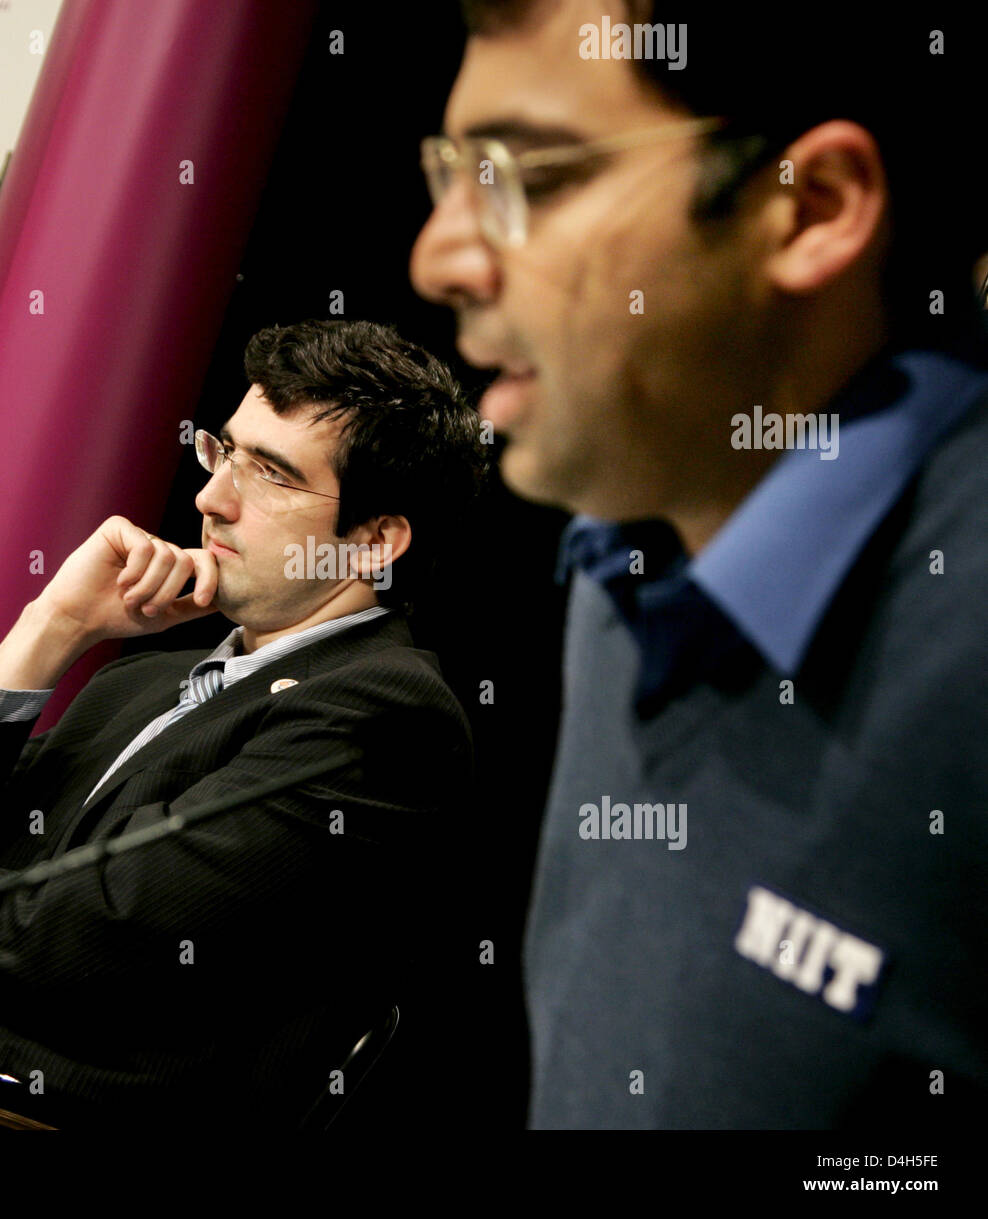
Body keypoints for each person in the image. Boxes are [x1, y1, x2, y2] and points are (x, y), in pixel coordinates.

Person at [410, 0, 988, 1128]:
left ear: (808, 208)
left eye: (531, 173)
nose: (438, 254)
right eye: (450, 170)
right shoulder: (621, 557)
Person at [0, 318, 487, 1128]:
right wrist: (50, 629)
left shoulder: (385, 711)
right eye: (223, 451)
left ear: (375, 541)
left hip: (17, 1100)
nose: (212, 498)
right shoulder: (145, 680)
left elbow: (95, 935)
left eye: (271, 474)